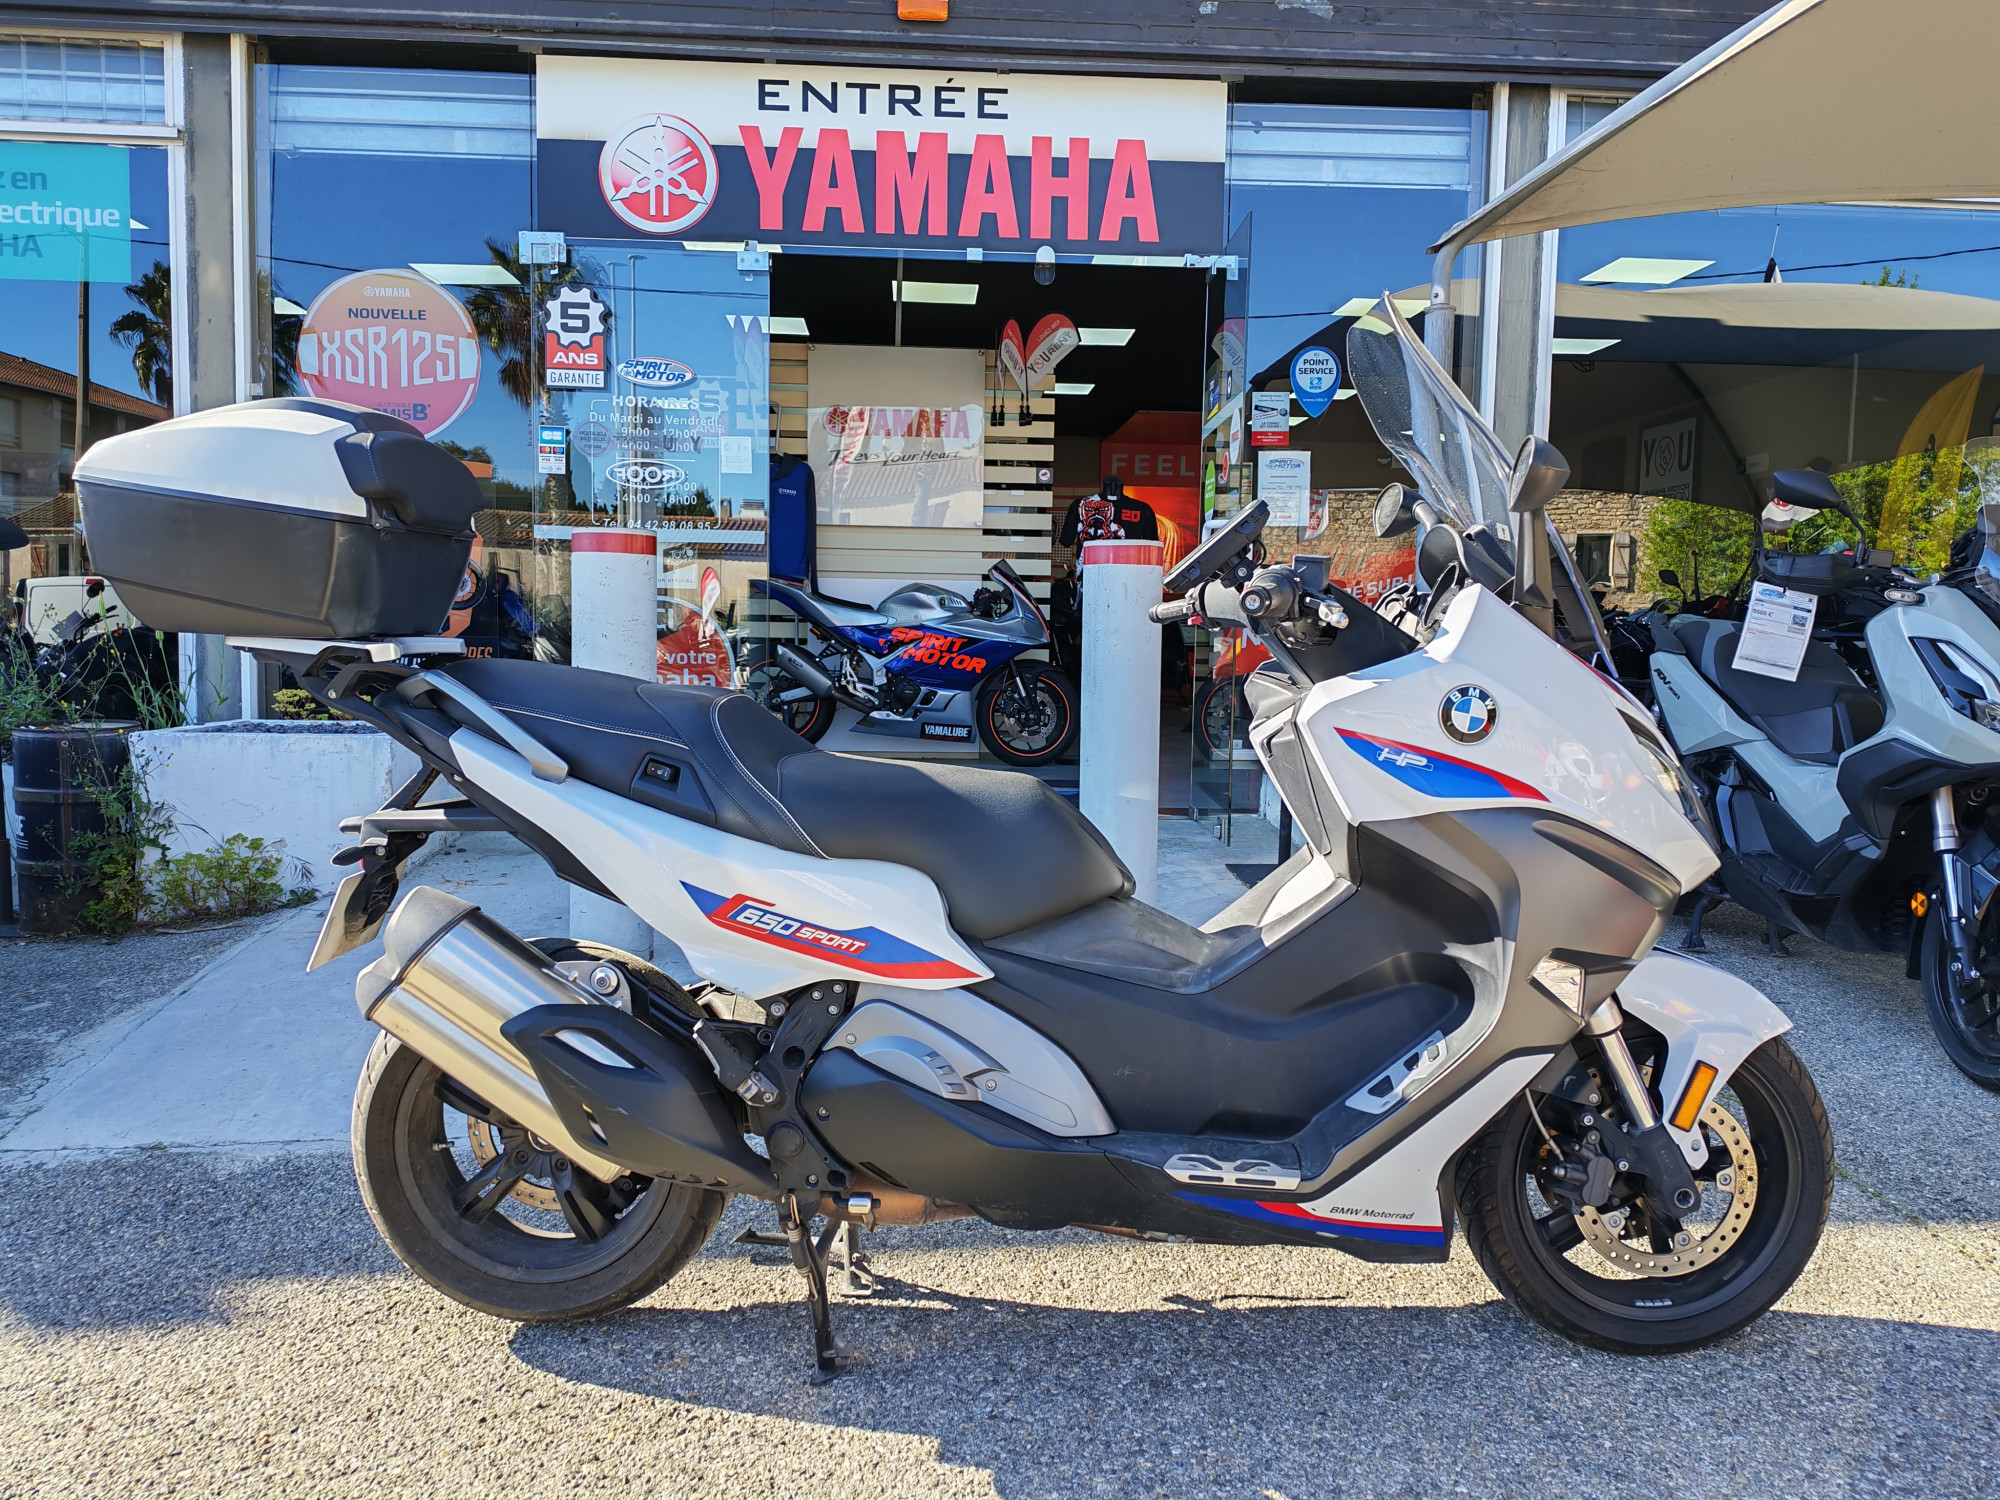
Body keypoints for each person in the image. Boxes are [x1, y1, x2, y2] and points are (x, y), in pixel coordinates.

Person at [1059, 475, 1158, 548]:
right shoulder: (1079, 504)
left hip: (1126, 567)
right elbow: (1066, 540)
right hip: (1090, 567)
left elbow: (1152, 547)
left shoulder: (1143, 509)